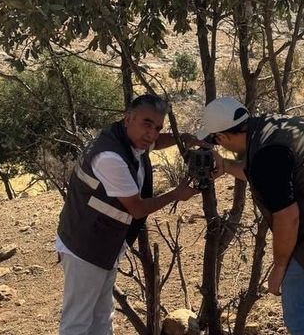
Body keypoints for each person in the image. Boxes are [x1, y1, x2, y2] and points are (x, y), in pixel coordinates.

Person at [197, 96, 304, 335]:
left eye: (216, 141)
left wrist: (279, 267)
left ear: (223, 136)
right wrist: (226, 166)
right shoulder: (273, 127)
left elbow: (288, 216)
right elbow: (268, 176)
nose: (219, 146)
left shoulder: (268, 154)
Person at [56, 94, 200, 335]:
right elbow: (137, 208)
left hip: (101, 244)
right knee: (78, 322)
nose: (152, 134)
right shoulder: (111, 157)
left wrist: (181, 138)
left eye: (157, 127)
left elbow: (153, 142)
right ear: (128, 118)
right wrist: (177, 194)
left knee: (101, 316)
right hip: (86, 247)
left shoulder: (122, 139)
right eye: (147, 124)